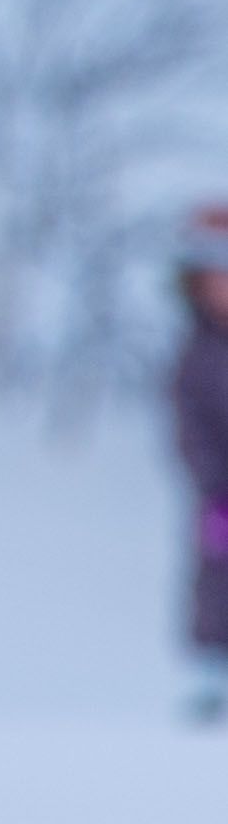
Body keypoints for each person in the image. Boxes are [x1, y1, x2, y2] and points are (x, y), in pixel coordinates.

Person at [176, 204, 228, 722]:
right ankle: (214, 686)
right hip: (221, 497)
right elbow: (189, 426)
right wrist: (214, 486)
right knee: (217, 587)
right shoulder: (199, 353)